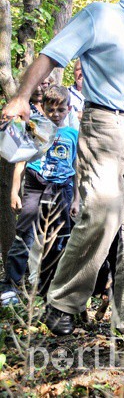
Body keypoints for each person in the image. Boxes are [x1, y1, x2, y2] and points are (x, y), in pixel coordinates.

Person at [1, 0, 124, 346]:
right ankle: (61, 303)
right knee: (102, 213)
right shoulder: (100, 14)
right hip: (106, 125)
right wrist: (23, 96)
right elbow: (52, 54)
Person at [0, 86, 79, 306]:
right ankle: (10, 286)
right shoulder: (35, 129)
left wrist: (77, 199)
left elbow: (77, 165)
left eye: (60, 109)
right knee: (24, 236)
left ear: (68, 109)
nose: (55, 114)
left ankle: (47, 287)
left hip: (62, 188)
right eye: (51, 109)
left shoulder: (73, 133)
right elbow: (21, 160)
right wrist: (15, 191)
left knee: (57, 240)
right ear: (43, 107)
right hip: (35, 185)